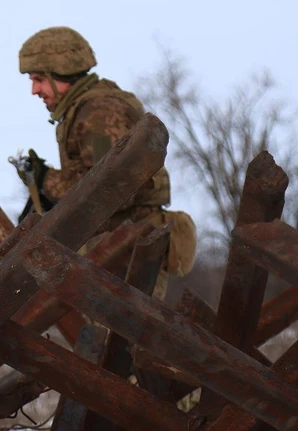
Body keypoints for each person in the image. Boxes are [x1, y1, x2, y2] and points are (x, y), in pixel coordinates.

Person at [15, 26, 197, 301]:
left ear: (62, 72)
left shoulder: (99, 111)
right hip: (115, 250)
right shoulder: (87, 108)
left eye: (39, 79)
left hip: (125, 251)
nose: (34, 90)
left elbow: (112, 191)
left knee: (118, 339)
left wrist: (44, 178)